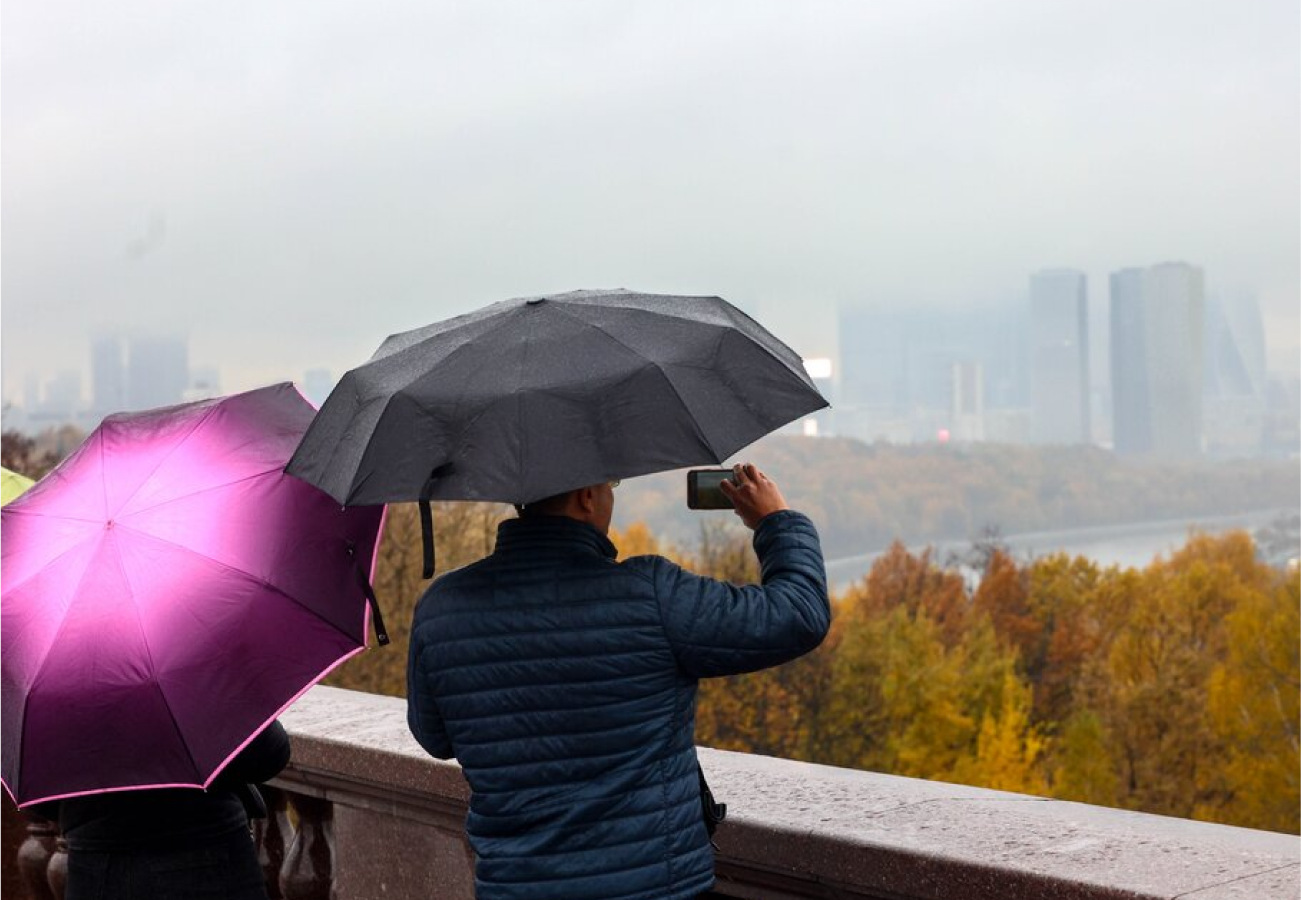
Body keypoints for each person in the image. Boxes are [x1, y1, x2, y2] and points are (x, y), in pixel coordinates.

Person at [407, 462, 830, 900]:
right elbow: (798, 614)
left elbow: (435, 737)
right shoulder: (650, 594)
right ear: (586, 496)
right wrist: (776, 521)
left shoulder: (442, 608)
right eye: (610, 484)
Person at [34, 720, 291, 900]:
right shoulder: (195, 655)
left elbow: (40, 798)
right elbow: (269, 754)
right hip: (209, 858)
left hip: (98, 869)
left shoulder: (54, 686)